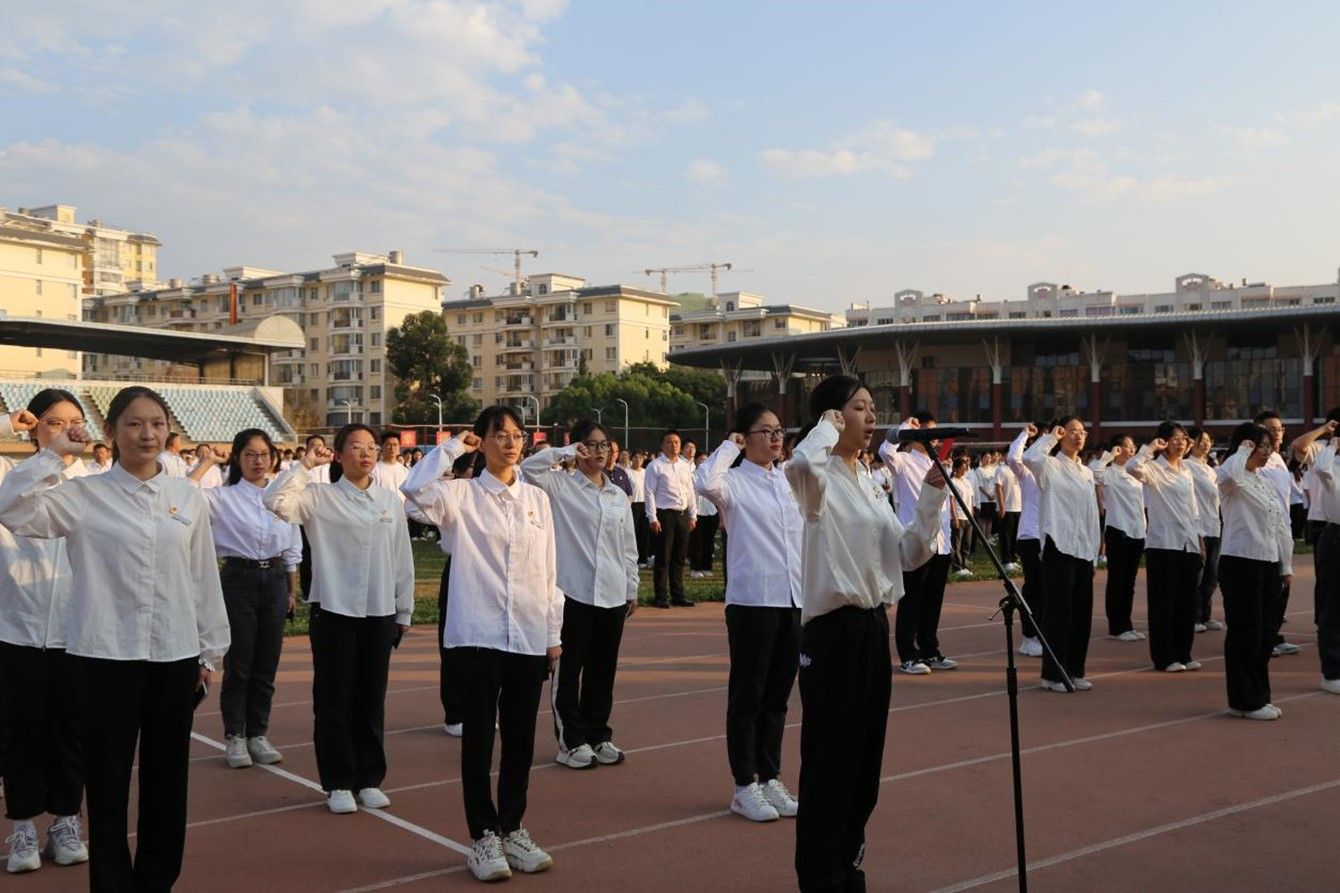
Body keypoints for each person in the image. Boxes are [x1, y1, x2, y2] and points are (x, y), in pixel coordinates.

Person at [0, 385, 229, 891]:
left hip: (174, 655)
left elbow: (201, 578)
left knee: (167, 783)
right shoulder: (82, 496)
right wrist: (53, 454)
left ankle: (155, 880)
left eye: (156, 423)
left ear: (169, 430)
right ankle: (111, 882)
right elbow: (12, 510)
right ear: (111, 432)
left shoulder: (187, 498)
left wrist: (212, 650)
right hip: (103, 657)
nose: (146, 433)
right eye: (133, 423)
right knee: (105, 782)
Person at [786, 375, 947, 892]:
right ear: (833, 418)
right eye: (859, 408)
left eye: (873, 407)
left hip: (874, 627)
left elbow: (906, 554)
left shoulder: (870, 481)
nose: (872, 416)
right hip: (833, 635)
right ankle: (821, 879)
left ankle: (847, 868)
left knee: (863, 770)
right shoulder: (819, 478)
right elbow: (803, 463)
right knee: (830, 768)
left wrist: (931, 498)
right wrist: (823, 431)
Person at [402, 406, 562, 883]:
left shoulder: (538, 500)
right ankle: (483, 836)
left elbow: (551, 572)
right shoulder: (460, 496)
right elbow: (414, 490)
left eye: (516, 435)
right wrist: (452, 447)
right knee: (478, 738)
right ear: (483, 441)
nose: (510, 443)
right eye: (499, 435)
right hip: (477, 634)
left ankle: (513, 827)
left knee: (519, 738)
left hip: (528, 634)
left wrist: (553, 636)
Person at [264, 423, 414, 815]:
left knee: (370, 698)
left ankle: (368, 778)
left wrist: (404, 607)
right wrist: (304, 465)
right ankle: (338, 782)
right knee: (334, 699)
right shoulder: (319, 497)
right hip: (334, 611)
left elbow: (402, 557)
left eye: (372, 447)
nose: (366, 453)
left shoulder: (388, 501)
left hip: (379, 610)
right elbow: (274, 501)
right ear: (339, 453)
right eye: (356, 446)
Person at [696, 404, 804, 825]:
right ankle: (745, 785)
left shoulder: (788, 480)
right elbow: (704, 482)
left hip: (792, 599)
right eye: (766, 431)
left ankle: (770, 776)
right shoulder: (733, 482)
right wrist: (729, 446)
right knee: (749, 695)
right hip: (752, 602)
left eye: (780, 430)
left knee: (777, 696)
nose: (776, 438)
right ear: (745, 437)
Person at [0, 395, 91, 874]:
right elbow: (8, 503)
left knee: (71, 731)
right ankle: (22, 827)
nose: (64, 431)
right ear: (32, 428)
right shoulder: (11, 475)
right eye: (54, 423)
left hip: (77, 632)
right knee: (21, 733)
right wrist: (10, 428)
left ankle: (64, 820)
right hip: (17, 627)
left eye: (75, 423)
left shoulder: (94, 484)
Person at [520, 421, 638, 771]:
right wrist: (568, 452)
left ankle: (598, 734)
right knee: (569, 671)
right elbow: (529, 467)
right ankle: (571, 740)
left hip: (613, 594)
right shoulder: (560, 486)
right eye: (591, 444)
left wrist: (632, 588)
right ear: (578, 447)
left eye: (604, 445)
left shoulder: (617, 494)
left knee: (603, 671)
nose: (599, 451)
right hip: (573, 593)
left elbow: (628, 546)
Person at [190, 430, 300, 769]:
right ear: (237, 458)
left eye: (264, 454)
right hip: (238, 579)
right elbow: (181, 495)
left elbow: (293, 545)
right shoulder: (222, 498)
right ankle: (235, 735)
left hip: (276, 580)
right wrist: (207, 460)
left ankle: (258, 733)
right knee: (240, 663)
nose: (258, 461)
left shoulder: (283, 496)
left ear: (273, 458)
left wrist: (292, 589)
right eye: (250, 454)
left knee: (266, 664)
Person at [1217, 422, 1293, 720]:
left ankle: (1260, 695)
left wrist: (1285, 565)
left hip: (1268, 562)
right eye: (1259, 445)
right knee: (1245, 632)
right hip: (1240, 561)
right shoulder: (1232, 480)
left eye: (1267, 446)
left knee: (1264, 633)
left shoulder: (1262, 481)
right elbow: (1229, 473)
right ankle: (1243, 700)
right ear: (1244, 446)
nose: (1265, 451)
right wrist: (1242, 451)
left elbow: (1279, 525)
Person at [1024, 416, 1100, 692]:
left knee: (1082, 614)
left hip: (1082, 548)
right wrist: (1049, 438)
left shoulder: (1086, 472)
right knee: (1058, 614)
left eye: (1082, 432)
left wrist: (1094, 548)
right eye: (1072, 431)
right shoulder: (1050, 466)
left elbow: (1091, 513)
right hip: (1058, 546)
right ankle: (1053, 674)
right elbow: (1030, 458)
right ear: (1061, 434)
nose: (1078, 436)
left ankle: (1076, 670)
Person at [1122, 422, 1203, 673]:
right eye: (1174, 438)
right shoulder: (1154, 469)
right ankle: (1164, 656)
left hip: (1188, 543)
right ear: (1164, 441)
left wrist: (1199, 539)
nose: (1180, 442)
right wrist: (1150, 449)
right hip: (1164, 545)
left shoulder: (1187, 470)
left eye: (1184, 438)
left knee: (1186, 603)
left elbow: (1193, 508)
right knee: (1164, 604)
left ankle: (1184, 652)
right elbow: (1131, 467)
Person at [879, 412, 955, 674]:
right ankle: (909, 655)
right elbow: (885, 450)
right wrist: (904, 428)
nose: (934, 439)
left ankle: (930, 649)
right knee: (912, 600)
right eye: (928, 433)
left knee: (933, 601)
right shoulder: (903, 461)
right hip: (914, 543)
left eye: (936, 433)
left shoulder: (941, 464)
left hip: (941, 542)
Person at [1290, 412, 1340, 695]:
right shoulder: (1323, 453)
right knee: (1330, 600)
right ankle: (1331, 667)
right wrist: (1326, 432)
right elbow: (1299, 446)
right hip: (1329, 528)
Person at [1252, 410, 1300, 657]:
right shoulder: (1255, 461)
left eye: (1280, 429)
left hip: (1284, 530)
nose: (1278, 434)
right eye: (1272, 430)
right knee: (1269, 587)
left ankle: (1274, 635)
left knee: (1284, 586)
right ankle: (1264, 637)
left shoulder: (1279, 460)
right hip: (1265, 532)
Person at [1096, 435, 1147, 642]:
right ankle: (1116, 626)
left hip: (1137, 531)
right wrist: (1108, 457)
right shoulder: (1109, 473)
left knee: (1130, 581)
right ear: (1117, 449)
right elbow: (1094, 473)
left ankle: (1127, 623)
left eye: (1133, 446)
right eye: (1126, 447)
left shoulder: (1136, 473)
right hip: (1118, 530)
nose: (1131, 450)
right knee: (1117, 580)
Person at [645, 430, 697, 608]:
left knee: (680, 557)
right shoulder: (656, 466)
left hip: (683, 515)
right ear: (662, 445)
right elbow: (649, 492)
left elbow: (690, 491)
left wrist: (693, 514)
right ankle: (661, 596)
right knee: (663, 557)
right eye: (669, 442)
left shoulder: (684, 466)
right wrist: (652, 517)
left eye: (676, 442)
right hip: (664, 515)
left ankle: (678, 594)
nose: (673, 445)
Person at [1007, 424, 1046, 657]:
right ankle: (1029, 637)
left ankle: (1043, 633)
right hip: (1030, 535)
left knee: (1050, 589)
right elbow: (1013, 458)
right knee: (1034, 588)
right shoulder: (1026, 471)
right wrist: (1025, 435)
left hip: (1051, 536)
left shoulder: (1056, 469)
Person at [1186, 427, 1225, 632]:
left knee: (1212, 574)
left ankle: (1206, 615)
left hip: (1214, 525)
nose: (1206, 444)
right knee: (1197, 575)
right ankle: (1194, 617)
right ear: (1192, 442)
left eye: (1209, 440)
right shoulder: (1187, 466)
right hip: (1197, 526)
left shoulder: (1211, 469)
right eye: (1202, 440)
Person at [298, 433, 331, 600]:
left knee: (327, 555)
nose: (317, 448)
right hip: (307, 517)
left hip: (328, 517)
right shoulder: (300, 468)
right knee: (307, 555)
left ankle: (326, 590)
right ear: (307, 449)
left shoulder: (331, 468)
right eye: (313, 445)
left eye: (320, 444)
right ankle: (307, 591)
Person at [689, 451, 720, 578]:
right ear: (696, 461)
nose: (703, 462)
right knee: (697, 541)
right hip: (697, 511)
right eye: (701, 459)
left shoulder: (713, 477)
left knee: (709, 541)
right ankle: (695, 568)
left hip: (711, 511)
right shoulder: (692, 475)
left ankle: (707, 566)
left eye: (705, 460)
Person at [949, 453, 977, 577]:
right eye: (962, 468)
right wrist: (954, 517)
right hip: (959, 516)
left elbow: (970, 499)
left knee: (966, 543)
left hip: (968, 517)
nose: (964, 470)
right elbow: (952, 501)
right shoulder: (953, 482)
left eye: (966, 468)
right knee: (957, 543)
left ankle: (964, 565)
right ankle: (957, 567)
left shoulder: (967, 481)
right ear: (956, 468)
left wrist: (971, 513)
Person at [996, 452, 1022, 570]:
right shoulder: (1001, 470)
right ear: (1005, 456)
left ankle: (1013, 558)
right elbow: (998, 488)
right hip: (1007, 507)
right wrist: (1002, 506)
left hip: (1018, 507)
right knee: (1006, 535)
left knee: (1015, 535)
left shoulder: (1017, 469)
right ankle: (1006, 561)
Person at [627, 452, 650, 567]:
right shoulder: (627, 472)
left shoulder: (646, 472)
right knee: (633, 532)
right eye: (635, 457)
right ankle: (632, 558)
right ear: (632, 459)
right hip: (633, 505)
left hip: (645, 504)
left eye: (640, 458)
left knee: (644, 532)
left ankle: (643, 559)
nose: (638, 460)